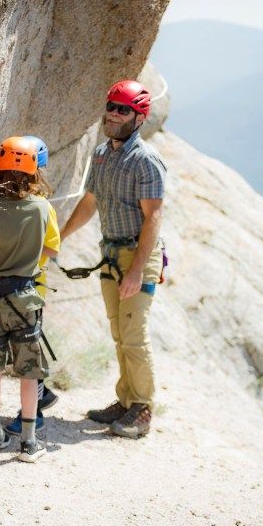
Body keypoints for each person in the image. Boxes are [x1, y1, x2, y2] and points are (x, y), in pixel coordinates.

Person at [59, 79, 166, 439]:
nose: (113, 114)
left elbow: (153, 217)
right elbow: (90, 202)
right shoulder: (102, 154)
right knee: (120, 334)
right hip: (110, 253)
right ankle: (125, 400)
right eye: (111, 106)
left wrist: (137, 269)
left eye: (122, 110)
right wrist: (59, 237)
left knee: (134, 336)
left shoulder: (146, 160)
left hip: (137, 254)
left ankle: (143, 408)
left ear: (139, 118)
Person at [0, 136, 59, 462]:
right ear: (34, 171)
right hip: (25, 299)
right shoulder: (42, 208)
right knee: (28, 372)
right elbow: (50, 250)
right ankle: (28, 442)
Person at [4, 135, 60, 438]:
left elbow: (52, 247)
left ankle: (34, 413)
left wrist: (23, 252)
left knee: (26, 356)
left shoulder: (42, 208)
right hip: (22, 288)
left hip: (29, 289)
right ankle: (42, 396)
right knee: (21, 350)